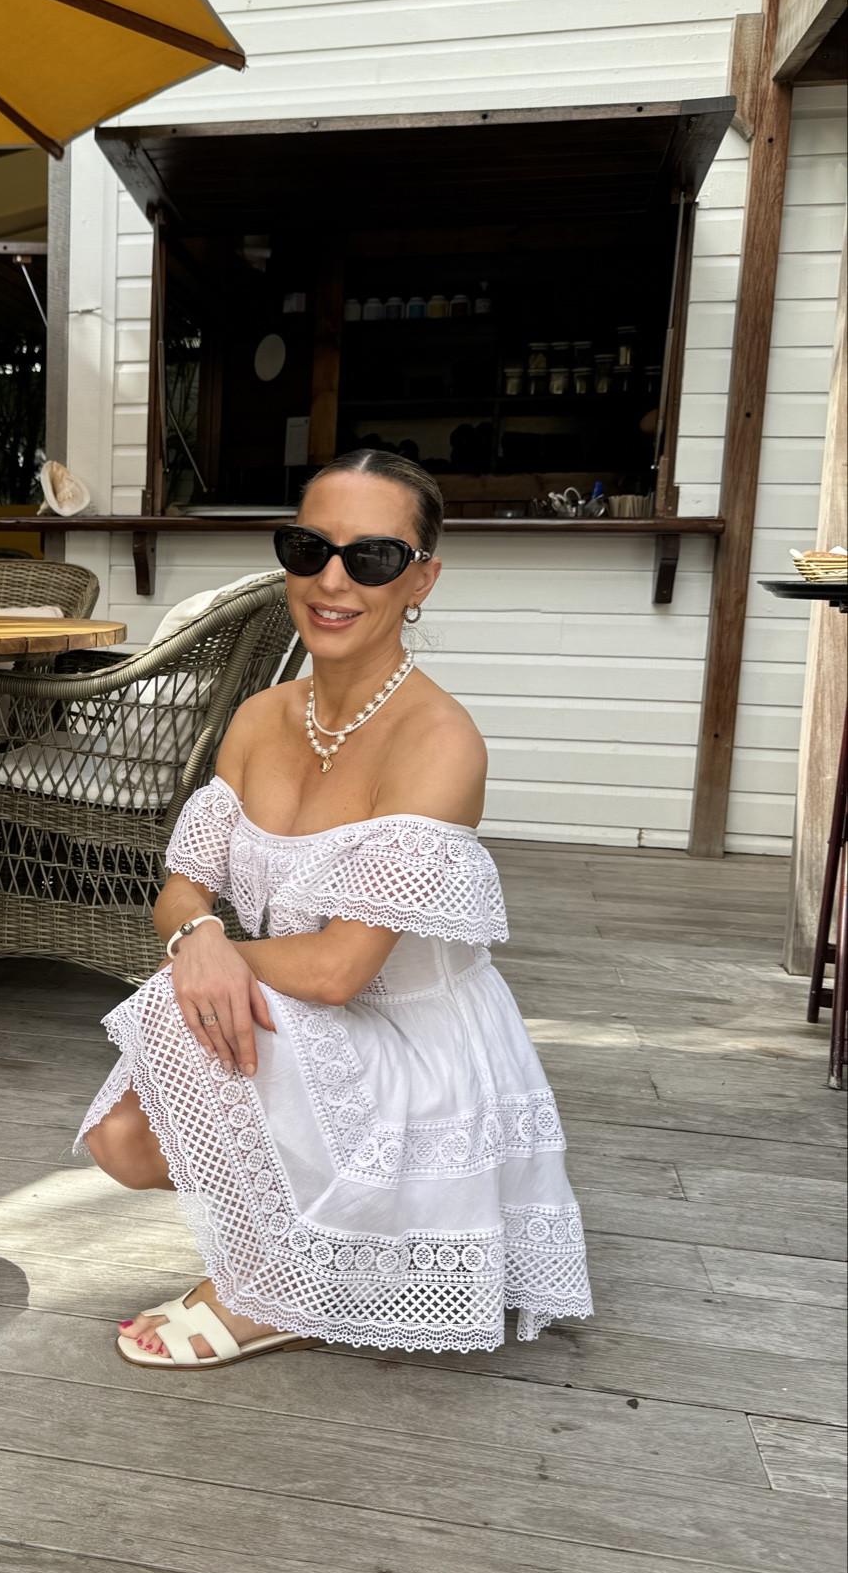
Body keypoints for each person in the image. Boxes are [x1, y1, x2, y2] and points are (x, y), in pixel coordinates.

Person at [81, 449, 593, 1367]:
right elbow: (182, 885)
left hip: (409, 1044)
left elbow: (340, 968)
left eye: (373, 558)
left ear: (421, 580)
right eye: (308, 547)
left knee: (175, 1006)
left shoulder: (440, 742)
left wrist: (204, 957)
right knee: (123, 1141)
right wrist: (198, 937)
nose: (331, 579)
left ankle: (266, 1290)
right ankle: (324, 1250)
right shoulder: (260, 717)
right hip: (296, 1016)